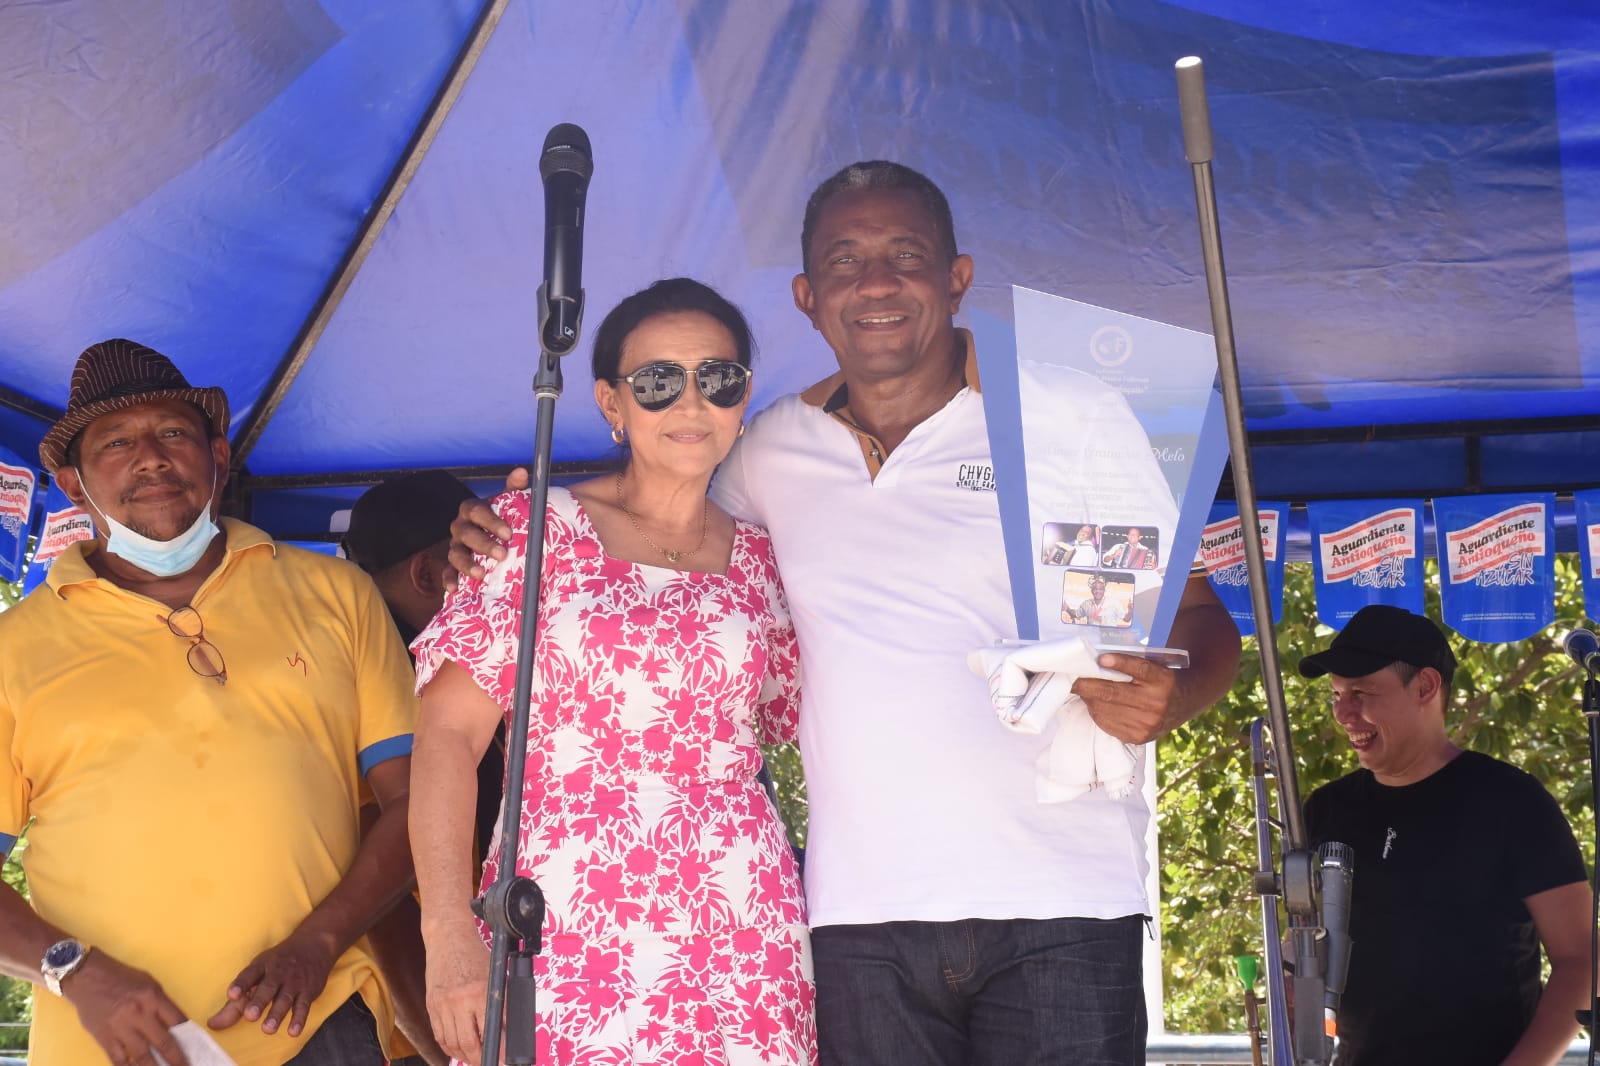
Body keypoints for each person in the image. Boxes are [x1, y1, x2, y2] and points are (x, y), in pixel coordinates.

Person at [453, 164, 1240, 1064]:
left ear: (957, 278)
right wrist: (509, 525)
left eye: (906, 255)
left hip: (1063, 900)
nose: (875, 283)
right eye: (844, 261)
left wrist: (1172, 697)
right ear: (807, 298)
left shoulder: (1071, 417)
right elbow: (655, 513)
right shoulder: (769, 451)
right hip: (859, 917)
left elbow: (1201, 619)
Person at [410, 279, 814, 1066]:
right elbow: (448, 735)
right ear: (610, 403)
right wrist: (448, 931)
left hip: (744, 920)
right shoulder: (532, 532)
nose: (691, 402)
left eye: (718, 378)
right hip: (564, 912)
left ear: (743, 399)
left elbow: (796, 721)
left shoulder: (766, 559)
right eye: (659, 381)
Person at [0, 339, 418, 1066]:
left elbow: (418, 801)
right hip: (106, 1047)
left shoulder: (338, 595)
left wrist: (320, 942)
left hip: (317, 1023)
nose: (151, 459)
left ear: (217, 458)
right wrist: (76, 972)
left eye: (172, 433)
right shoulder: (15, 647)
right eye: (116, 442)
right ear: (72, 485)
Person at [1298, 605, 1590, 1066]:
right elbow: (1304, 955)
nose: (1343, 713)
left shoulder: (1513, 801)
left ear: (1425, 687)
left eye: (1361, 693)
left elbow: (1582, 960)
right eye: (1336, 695)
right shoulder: (1325, 809)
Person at [344, 471, 493, 1066]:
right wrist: (448, 1051)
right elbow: (384, 909)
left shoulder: (466, 673)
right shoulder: (387, 687)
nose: (496, 582)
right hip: (435, 1027)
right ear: (429, 575)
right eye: (477, 562)